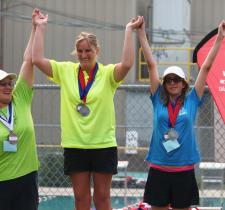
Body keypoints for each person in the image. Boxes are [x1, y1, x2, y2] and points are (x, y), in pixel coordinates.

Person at [32, 10, 143, 210]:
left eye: (88, 50)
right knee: (81, 199)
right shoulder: (65, 71)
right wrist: (40, 28)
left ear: (96, 51)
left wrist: (128, 30)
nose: (84, 55)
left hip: (102, 144)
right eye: (80, 51)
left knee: (102, 198)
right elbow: (37, 59)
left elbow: (127, 64)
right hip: (75, 144)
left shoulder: (108, 74)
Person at [137, 17, 225, 210]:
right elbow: (151, 64)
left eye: (177, 79)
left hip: (183, 171)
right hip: (159, 169)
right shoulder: (157, 98)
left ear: (184, 83)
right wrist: (141, 33)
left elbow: (207, 68)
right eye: (168, 79)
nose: (172, 83)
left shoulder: (192, 100)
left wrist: (219, 37)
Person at [0, 9, 40, 210]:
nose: (8, 87)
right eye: (3, 84)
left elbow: (29, 61)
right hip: (2, 181)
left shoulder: (20, 98)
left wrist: (35, 28)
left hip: (27, 178)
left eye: (10, 83)